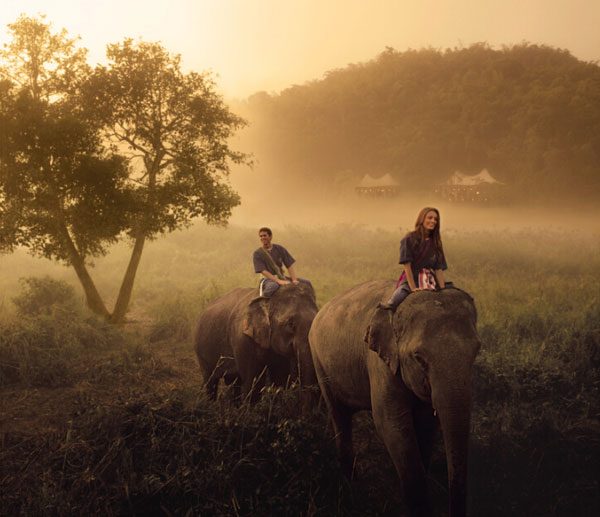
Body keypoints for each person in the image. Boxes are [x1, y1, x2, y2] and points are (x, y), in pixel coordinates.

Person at [379, 207, 449, 311]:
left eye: (435, 219)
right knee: (394, 301)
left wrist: (443, 290)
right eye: (430, 218)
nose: (433, 221)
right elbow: (407, 267)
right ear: (422, 219)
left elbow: (438, 269)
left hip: (430, 280)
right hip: (413, 278)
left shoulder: (436, 242)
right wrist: (413, 288)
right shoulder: (409, 239)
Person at [252, 227, 312, 297]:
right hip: (267, 279)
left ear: (270, 236)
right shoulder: (258, 253)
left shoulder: (279, 249)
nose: (262, 238)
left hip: (282, 277)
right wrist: (278, 281)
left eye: (265, 235)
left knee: (307, 282)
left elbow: (289, 264)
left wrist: (294, 279)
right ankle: (260, 301)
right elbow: (263, 271)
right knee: (273, 286)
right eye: (261, 236)